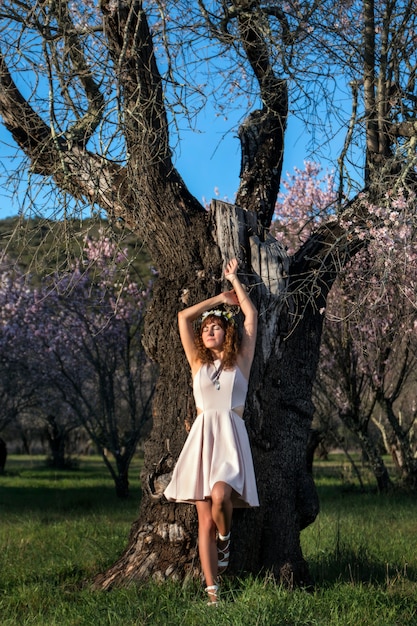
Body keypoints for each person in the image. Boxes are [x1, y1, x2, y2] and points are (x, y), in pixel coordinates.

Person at [164, 258, 259, 604]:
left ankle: (225, 540)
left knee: (221, 497)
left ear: (227, 332)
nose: (208, 331)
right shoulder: (197, 363)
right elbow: (182, 318)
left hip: (230, 440)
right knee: (203, 518)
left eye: (216, 326)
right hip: (202, 440)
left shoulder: (241, 361)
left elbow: (251, 317)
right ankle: (212, 592)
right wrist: (217, 300)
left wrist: (235, 282)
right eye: (206, 329)